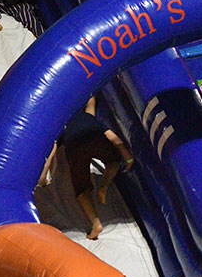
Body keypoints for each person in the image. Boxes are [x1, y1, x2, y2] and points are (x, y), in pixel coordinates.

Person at [42, 96, 133, 239]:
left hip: (75, 149)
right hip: (94, 138)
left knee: (82, 191)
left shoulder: (60, 126)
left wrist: (43, 176)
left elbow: (51, 152)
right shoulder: (88, 117)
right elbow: (113, 138)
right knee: (114, 161)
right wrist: (128, 157)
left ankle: (96, 224)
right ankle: (104, 185)